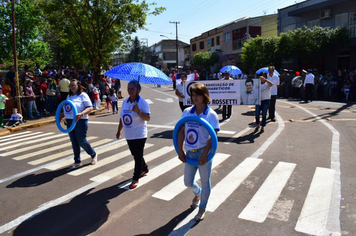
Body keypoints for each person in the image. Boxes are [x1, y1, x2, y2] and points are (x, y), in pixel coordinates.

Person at [177, 83, 219, 221]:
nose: (195, 97)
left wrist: (205, 153)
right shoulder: (187, 112)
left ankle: (202, 208)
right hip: (190, 153)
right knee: (188, 182)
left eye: (198, 95)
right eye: (193, 95)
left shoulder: (211, 114)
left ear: (204, 96)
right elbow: (181, 131)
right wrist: (180, 150)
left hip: (204, 154)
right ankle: (198, 193)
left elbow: (213, 137)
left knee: (205, 181)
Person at [116, 80, 151, 189]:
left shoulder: (142, 103)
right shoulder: (125, 102)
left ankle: (135, 178)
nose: (130, 90)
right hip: (129, 134)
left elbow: (148, 118)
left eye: (132, 88)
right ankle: (144, 167)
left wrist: (138, 112)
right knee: (135, 155)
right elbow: (122, 117)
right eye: (129, 88)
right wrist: (119, 130)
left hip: (140, 133)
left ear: (138, 90)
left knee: (137, 156)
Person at [63, 79, 98, 168]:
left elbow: (90, 108)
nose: (72, 87)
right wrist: (61, 116)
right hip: (70, 121)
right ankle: (77, 161)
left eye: (74, 85)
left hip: (81, 120)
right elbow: (67, 108)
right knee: (74, 142)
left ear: (78, 86)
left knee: (82, 141)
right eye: (71, 85)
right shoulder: (69, 96)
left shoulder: (83, 95)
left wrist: (82, 114)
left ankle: (93, 154)